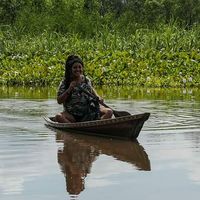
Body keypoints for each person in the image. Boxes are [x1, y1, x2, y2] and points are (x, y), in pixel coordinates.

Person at [55, 55, 113, 123]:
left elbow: (91, 89)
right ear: (70, 69)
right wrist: (69, 88)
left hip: (89, 111)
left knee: (109, 112)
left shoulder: (86, 80)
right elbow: (59, 101)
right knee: (58, 116)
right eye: (75, 67)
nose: (78, 69)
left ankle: (96, 125)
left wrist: (98, 97)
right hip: (73, 115)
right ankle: (75, 129)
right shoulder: (65, 82)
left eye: (80, 67)